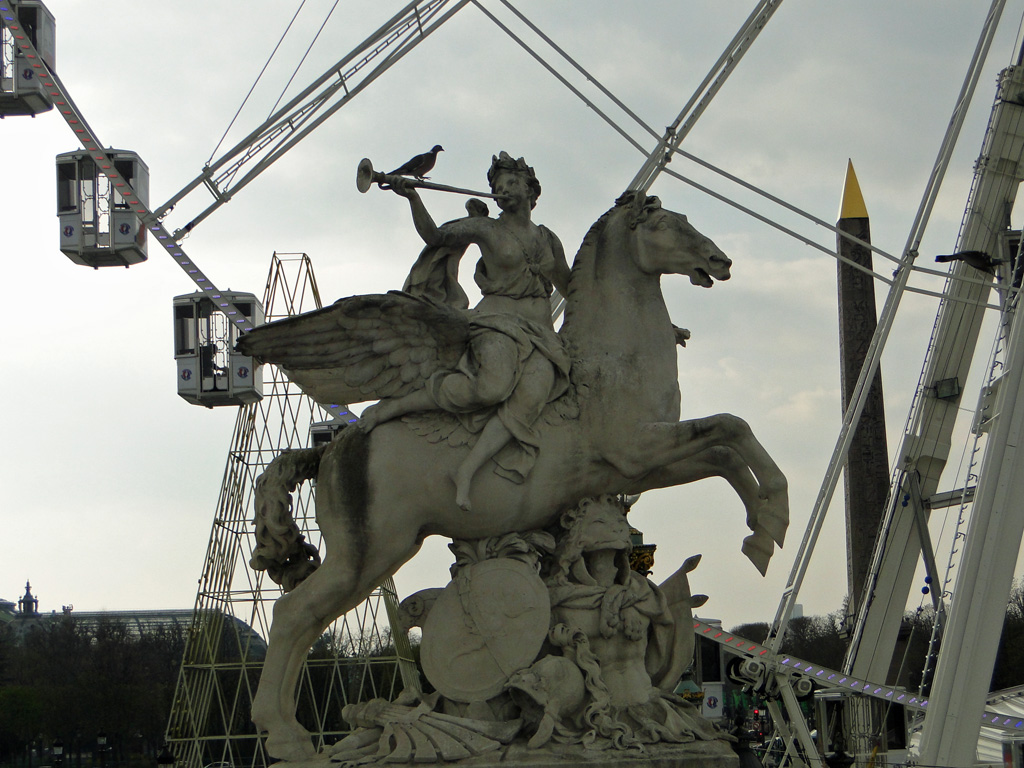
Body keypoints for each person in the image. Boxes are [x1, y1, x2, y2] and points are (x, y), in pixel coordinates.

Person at [359, 152, 572, 511]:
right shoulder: (487, 229)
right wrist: (412, 196)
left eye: (511, 184)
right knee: (492, 386)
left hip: (542, 335)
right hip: (496, 325)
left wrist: (555, 271)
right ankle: (396, 407)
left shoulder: (547, 238)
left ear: (530, 190)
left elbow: (571, 287)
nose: (503, 191)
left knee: (533, 396)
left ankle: (468, 470)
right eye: (497, 186)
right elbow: (436, 235)